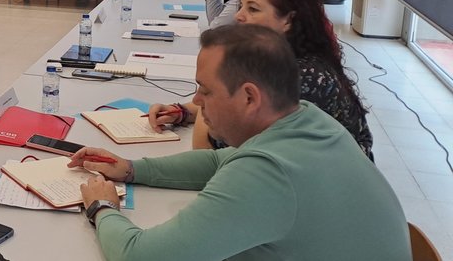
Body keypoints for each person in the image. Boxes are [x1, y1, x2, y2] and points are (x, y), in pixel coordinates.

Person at [71, 25, 409, 261]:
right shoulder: (307, 118)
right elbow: (220, 161)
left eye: (207, 90)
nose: (196, 101)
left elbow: (140, 256)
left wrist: (102, 207)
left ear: (249, 97)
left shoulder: (267, 173)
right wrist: (131, 169)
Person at [151, 0, 374, 158]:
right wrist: (182, 111)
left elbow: (210, 151)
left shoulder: (303, 78)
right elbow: (231, 108)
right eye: (241, 6)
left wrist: (207, 98)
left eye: (253, 9)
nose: (239, 16)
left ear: (288, 20)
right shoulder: (274, 58)